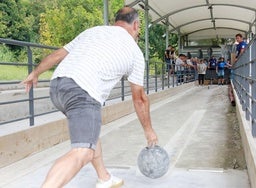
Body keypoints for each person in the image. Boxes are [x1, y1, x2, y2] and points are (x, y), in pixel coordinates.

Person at [21, 7, 158, 188]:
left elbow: (58, 54)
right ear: (136, 25)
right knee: (82, 152)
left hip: (57, 86)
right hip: (82, 91)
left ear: (116, 21)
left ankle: (104, 178)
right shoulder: (134, 51)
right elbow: (139, 98)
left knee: (90, 133)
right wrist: (149, 132)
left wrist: (35, 73)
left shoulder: (93, 32)